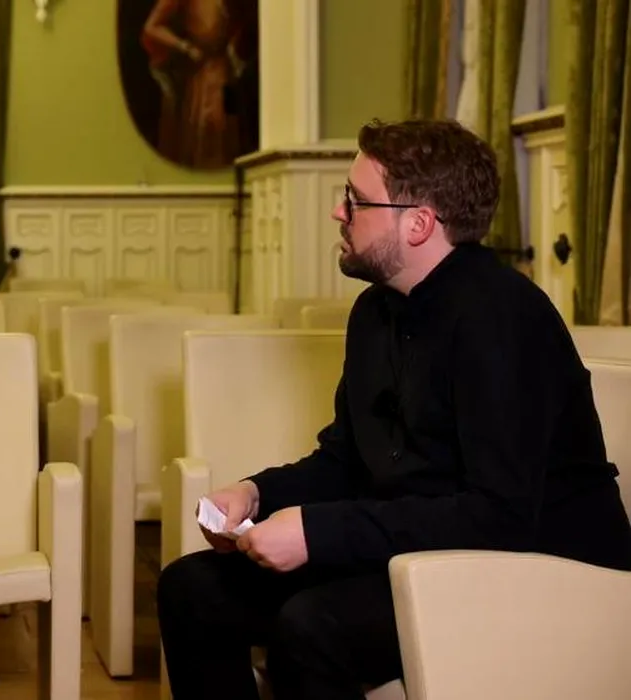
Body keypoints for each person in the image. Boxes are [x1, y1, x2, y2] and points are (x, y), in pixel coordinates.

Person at [156, 118, 631, 700]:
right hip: (429, 553)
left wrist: (319, 533)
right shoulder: (374, 312)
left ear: (419, 223)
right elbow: (347, 461)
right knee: (193, 590)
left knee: (311, 627)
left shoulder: (503, 319)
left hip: (543, 575)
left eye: (355, 200)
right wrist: (256, 494)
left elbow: (499, 516)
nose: (338, 211)